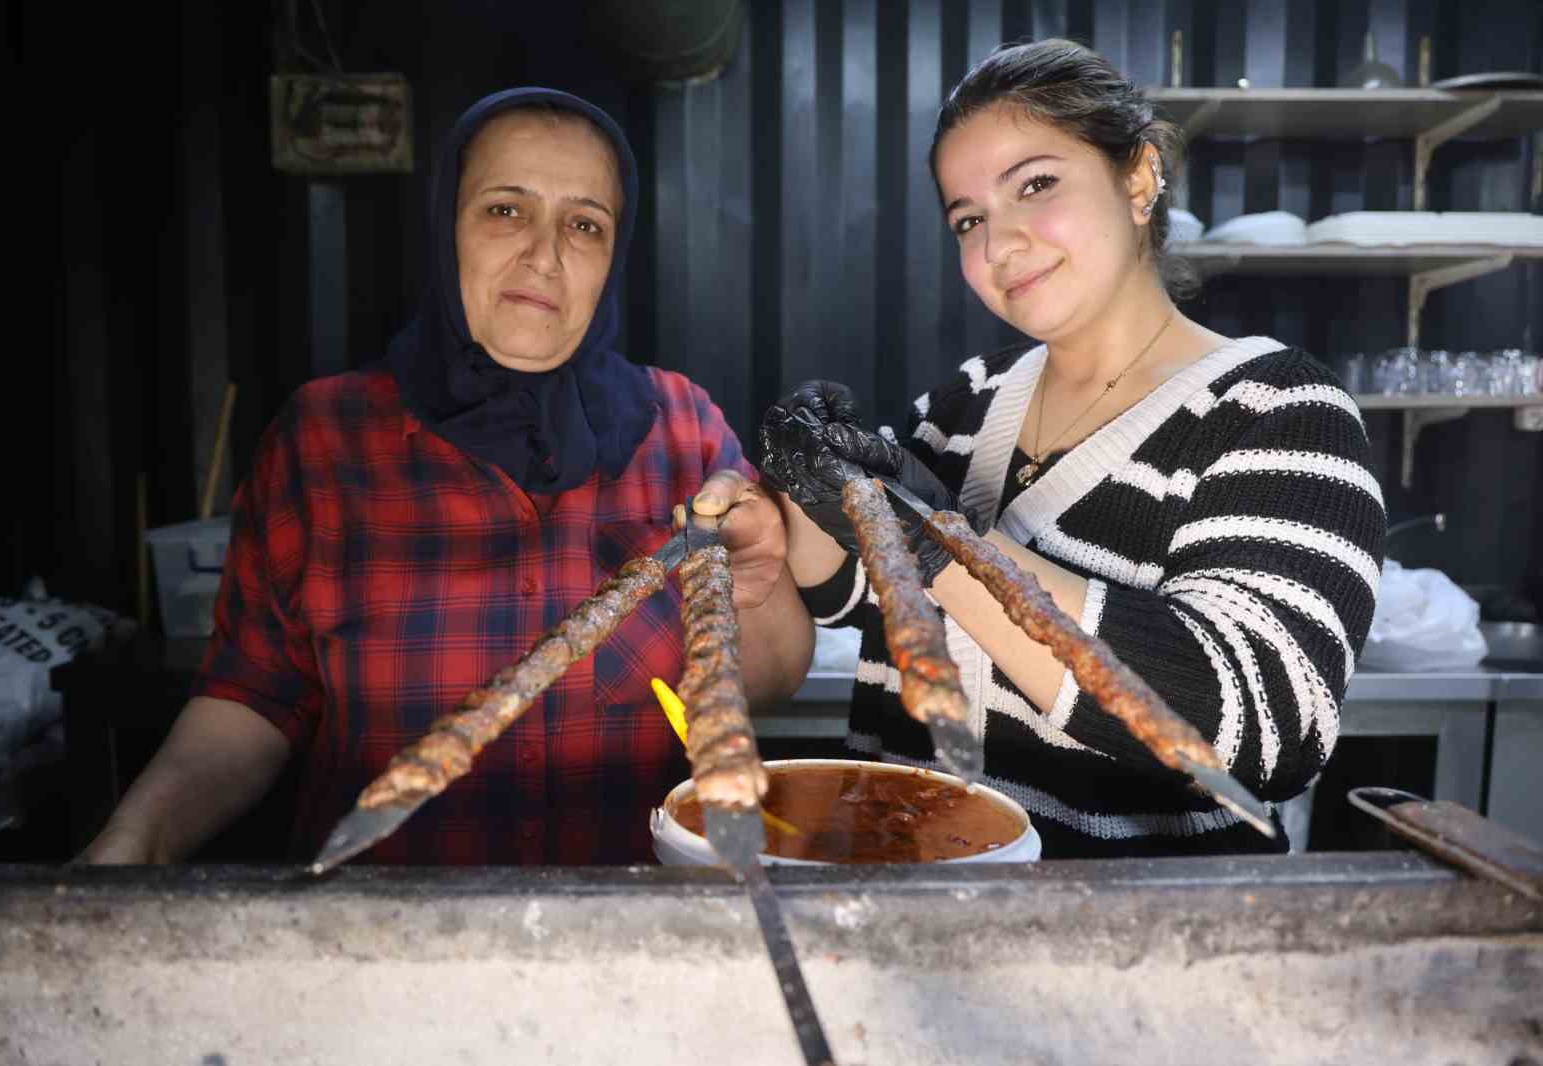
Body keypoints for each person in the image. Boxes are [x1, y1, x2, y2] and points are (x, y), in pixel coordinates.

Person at [80, 88, 812, 866]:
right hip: (382, 943)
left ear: (613, 259)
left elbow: (768, 682)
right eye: (505, 210)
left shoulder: (681, 428)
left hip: (619, 939)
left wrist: (748, 580)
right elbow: (255, 697)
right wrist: (136, 840)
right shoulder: (324, 439)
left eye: (584, 225)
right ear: (444, 229)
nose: (545, 255)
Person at [760, 40, 1385, 858]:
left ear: (1139, 177)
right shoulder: (967, 402)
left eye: (1036, 185)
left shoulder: (1277, 411)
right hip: (907, 916)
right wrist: (805, 489)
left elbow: (1263, 729)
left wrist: (947, 546)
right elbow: (851, 595)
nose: (1000, 245)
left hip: (1126, 949)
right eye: (969, 219)